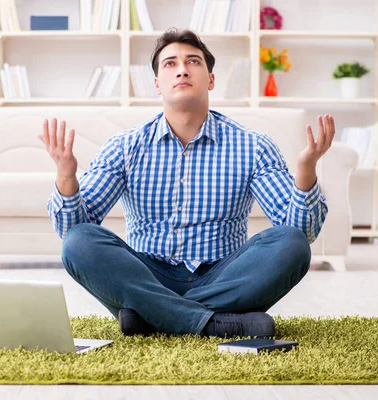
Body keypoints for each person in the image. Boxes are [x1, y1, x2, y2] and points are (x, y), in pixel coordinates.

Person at [38, 28, 334, 339]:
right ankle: (213, 323)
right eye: (170, 64)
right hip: (147, 276)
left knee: (291, 245)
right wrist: (67, 176)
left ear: (211, 79)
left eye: (193, 61)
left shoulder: (253, 146)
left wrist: (306, 171)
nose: (182, 69)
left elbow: (301, 232)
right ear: (156, 84)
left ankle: (153, 317)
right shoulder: (124, 146)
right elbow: (74, 229)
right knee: (79, 242)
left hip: (223, 277)